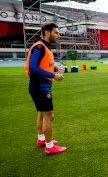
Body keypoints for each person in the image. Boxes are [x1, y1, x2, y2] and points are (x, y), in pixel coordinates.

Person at [25, 23, 67, 155]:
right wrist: (53, 75)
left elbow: (42, 65)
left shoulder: (44, 47)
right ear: (47, 33)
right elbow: (33, 67)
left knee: (42, 113)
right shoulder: (40, 47)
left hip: (39, 86)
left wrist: (54, 69)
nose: (58, 35)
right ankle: (49, 147)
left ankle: (41, 139)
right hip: (40, 86)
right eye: (56, 32)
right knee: (49, 115)